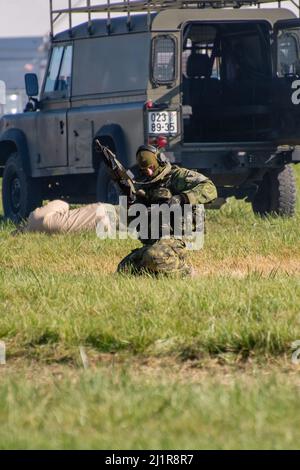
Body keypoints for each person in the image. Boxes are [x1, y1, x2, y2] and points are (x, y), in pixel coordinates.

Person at [117, 144, 217, 276]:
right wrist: (131, 203)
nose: (150, 172)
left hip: (177, 239)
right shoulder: (144, 185)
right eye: (145, 170)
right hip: (154, 241)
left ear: (160, 160)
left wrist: (182, 198)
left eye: (151, 167)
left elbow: (210, 188)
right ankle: (158, 272)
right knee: (124, 270)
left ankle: (186, 272)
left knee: (153, 256)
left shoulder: (177, 176)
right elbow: (130, 223)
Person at [18, 199, 113, 234]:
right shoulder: (35, 217)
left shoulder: (41, 229)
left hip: (103, 224)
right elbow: (63, 204)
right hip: (102, 212)